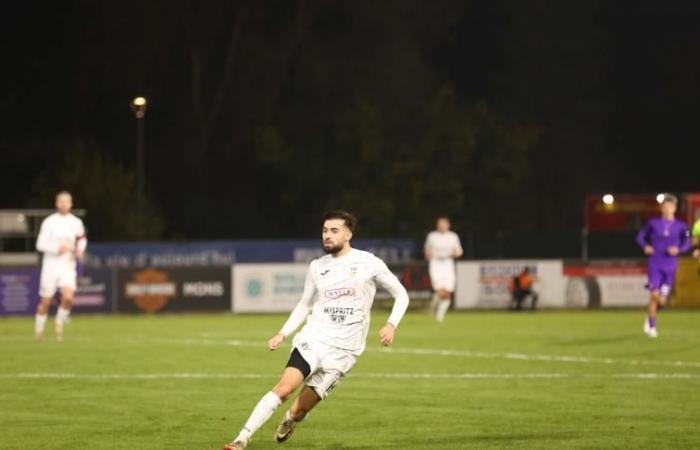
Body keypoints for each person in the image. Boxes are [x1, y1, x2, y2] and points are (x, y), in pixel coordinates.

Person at [223, 211, 409, 449]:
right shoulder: (317, 266)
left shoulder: (368, 262)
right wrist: (283, 333)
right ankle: (241, 439)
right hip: (314, 338)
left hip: (345, 351)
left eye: (334, 231)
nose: (327, 236)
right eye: (324, 231)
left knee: (299, 410)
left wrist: (391, 324)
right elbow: (304, 304)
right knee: (285, 387)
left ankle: (291, 419)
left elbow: (400, 294)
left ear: (348, 234)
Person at [34, 191, 87, 342]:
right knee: (45, 301)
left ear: (71, 204)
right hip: (50, 265)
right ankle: (39, 331)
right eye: (61, 201)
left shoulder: (76, 222)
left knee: (68, 297)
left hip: (67, 265)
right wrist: (57, 248)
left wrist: (79, 250)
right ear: (56, 203)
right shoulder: (49, 222)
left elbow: (82, 239)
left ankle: (58, 321)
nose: (64, 204)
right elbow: (40, 244)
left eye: (67, 201)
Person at [635, 194, 690, 338]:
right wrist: (645, 246)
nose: (667, 209)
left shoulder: (681, 226)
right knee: (654, 295)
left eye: (670, 206)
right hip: (655, 263)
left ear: (674, 208)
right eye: (664, 206)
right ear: (661, 208)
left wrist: (679, 250)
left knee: (662, 301)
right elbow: (640, 236)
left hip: (671, 266)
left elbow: (687, 242)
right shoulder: (653, 223)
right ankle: (652, 326)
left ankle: (649, 318)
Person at [424, 216, 463, 323]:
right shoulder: (432, 236)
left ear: (448, 225)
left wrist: (456, 253)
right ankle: (433, 308)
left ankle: (439, 316)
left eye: (444, 224)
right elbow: (427, 250)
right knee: (440, 291)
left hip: (448, 264)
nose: (442, 226)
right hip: (435, 264)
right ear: (437, 225)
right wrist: (427, 254)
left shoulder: (453, 236)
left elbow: (459, 251)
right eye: (440, 224)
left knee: (447, 293)